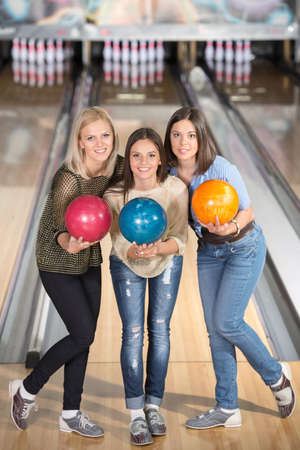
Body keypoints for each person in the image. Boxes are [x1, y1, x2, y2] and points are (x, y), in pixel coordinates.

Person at [164, 106, 296, 429]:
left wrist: (230, 228)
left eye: (191, 135)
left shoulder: (220, 168)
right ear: (169, 137)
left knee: (228, 321)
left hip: (243, 247)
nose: (183, 142)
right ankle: (227, 406)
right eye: (177, 134)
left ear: (200, 138)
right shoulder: (168, 175)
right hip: (209, 252)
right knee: (215, 330)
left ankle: (276, 376)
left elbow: (248, 212)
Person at [9, 106, 124, 437]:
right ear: (80, 142)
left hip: (88, 257)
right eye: (91, 137)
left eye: (105, 135)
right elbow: (57, 225)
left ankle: (71, 413)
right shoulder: (68, 177)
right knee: (83, 334)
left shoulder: (115, 166)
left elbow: (142, 170)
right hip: (57, 257)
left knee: (82, 338)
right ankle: (27, 390)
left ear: (113, 136)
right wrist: (67, 242)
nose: (100, 142)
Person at [104, 128, 188, 445]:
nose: (143, 162)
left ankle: (154, 405)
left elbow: (180, 238)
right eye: (136, 155)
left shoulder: (176, 190)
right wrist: (133, 250)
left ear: (160, 159)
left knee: (161, 329)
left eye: (151, 155)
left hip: (166, 260)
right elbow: (117, 239)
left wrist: (158, 249)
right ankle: (136, 413)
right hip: (126, 263)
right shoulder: (115, 195)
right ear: (129, 160)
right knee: (133, 333)